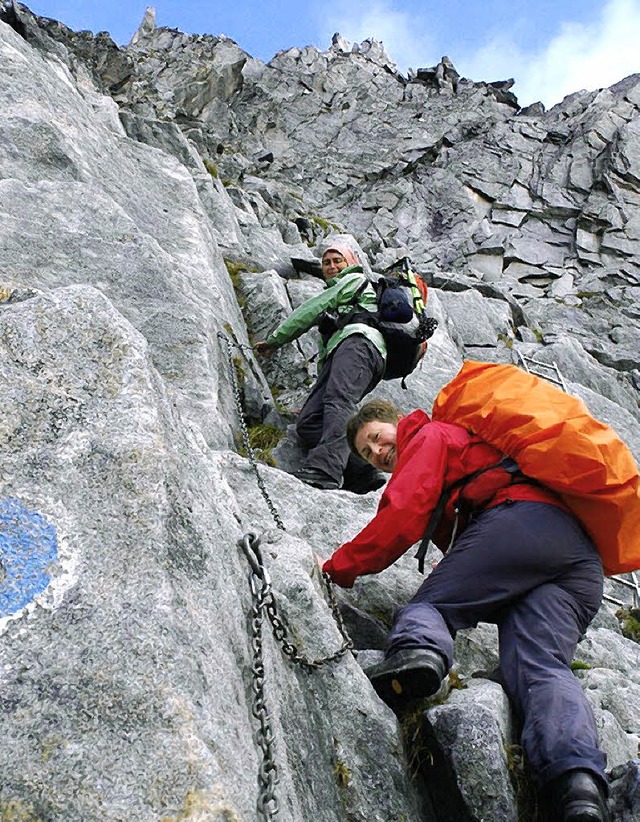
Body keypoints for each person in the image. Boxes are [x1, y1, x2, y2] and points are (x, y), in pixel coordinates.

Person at [322, 398, 611, 822]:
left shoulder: (428, 435)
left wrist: (336, 567)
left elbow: (402, 514)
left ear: (397, 422)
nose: (380, 453)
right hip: (577, 561)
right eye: (369, 454)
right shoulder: (464, 448)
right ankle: (577, 785)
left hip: (522, 524)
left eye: (377, 438)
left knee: (431, 605)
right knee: (539, 667)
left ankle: (417, 657)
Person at [255, 243, 387, 493]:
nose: (331, 266)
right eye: (326, 262)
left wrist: (275, 340)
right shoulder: (347, 295)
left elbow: (312, 309)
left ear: (352, 263)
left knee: (339, 401)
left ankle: (325, 471)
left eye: (338, 260)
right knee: (309, 422)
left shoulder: (353, 280)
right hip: (346, 352)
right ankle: (361, 470)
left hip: (359, 345)